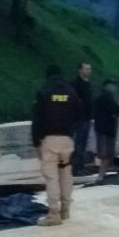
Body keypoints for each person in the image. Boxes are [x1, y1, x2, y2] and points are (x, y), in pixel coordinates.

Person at [31, 64, 84, 225]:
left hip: (49, 140)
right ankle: (65, 210)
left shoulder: (44, 92)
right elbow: (81, 115)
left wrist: (36, 142)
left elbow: (37, 118)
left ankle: (54, 214)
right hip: (67, 140)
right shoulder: (71, 92)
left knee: (51, 177)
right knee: (66, 175)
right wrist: (72, 131)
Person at [93, 78, 119, 183]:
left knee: (106, 154)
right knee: (105, 154)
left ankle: (103, 174)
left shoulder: (102, 97)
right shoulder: (106, 98)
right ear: (107, 86)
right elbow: (117, 110)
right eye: (113, 85)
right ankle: (101, 176)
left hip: (103, 128)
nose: (115, 88)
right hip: (106, 129)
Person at [71, 61, 94, 175]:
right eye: (86, 69)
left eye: (89, 69)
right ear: (80, 70)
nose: (88, 71)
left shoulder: (88, 83)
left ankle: (81, 166)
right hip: (79, 119)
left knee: (84, 143)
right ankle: (76, 168)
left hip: (88, 118)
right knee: (79, 143)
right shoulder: (75, 84)